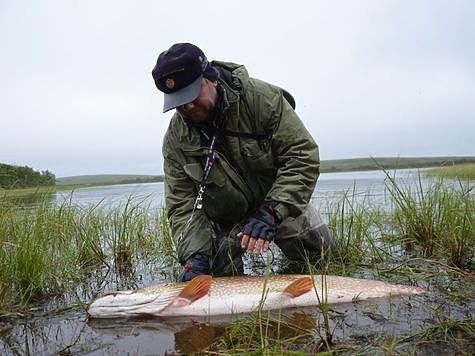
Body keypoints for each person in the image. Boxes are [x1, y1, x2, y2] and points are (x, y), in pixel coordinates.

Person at [152, 43, 335, 282]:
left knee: (324, 259)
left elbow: (301, 156)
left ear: (212, 78)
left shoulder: (263, 100)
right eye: (178, 100)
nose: (187, 106)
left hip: (277, 205)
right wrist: (195, 256)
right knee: (212, 270)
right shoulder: (176, 140)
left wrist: (272, 211)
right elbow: (182, 206)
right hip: (227, 218)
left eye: (192, 94)